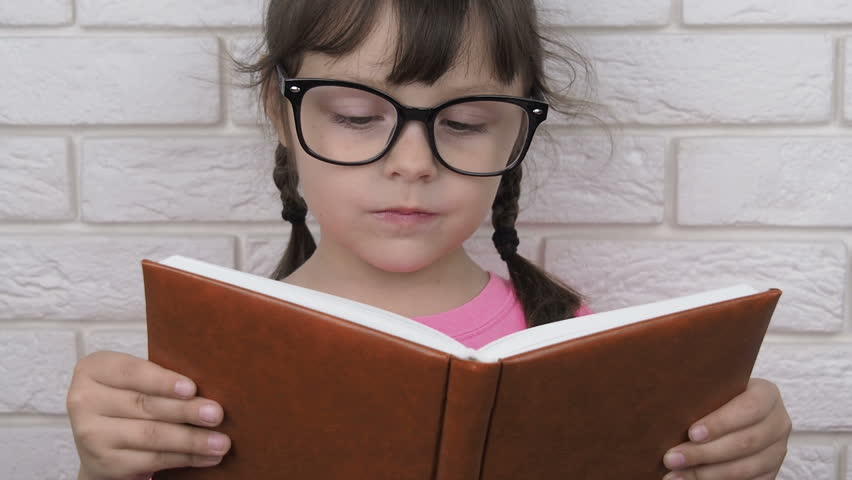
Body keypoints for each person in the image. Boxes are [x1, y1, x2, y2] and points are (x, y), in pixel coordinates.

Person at [66, 1, 792, 479]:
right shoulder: (210, 359)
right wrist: (105, 467)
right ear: (284, 117)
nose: (411, 163)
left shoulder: (576, 349)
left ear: (520, 131)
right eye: (355, 116)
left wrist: (734, 457)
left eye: (466, 123)